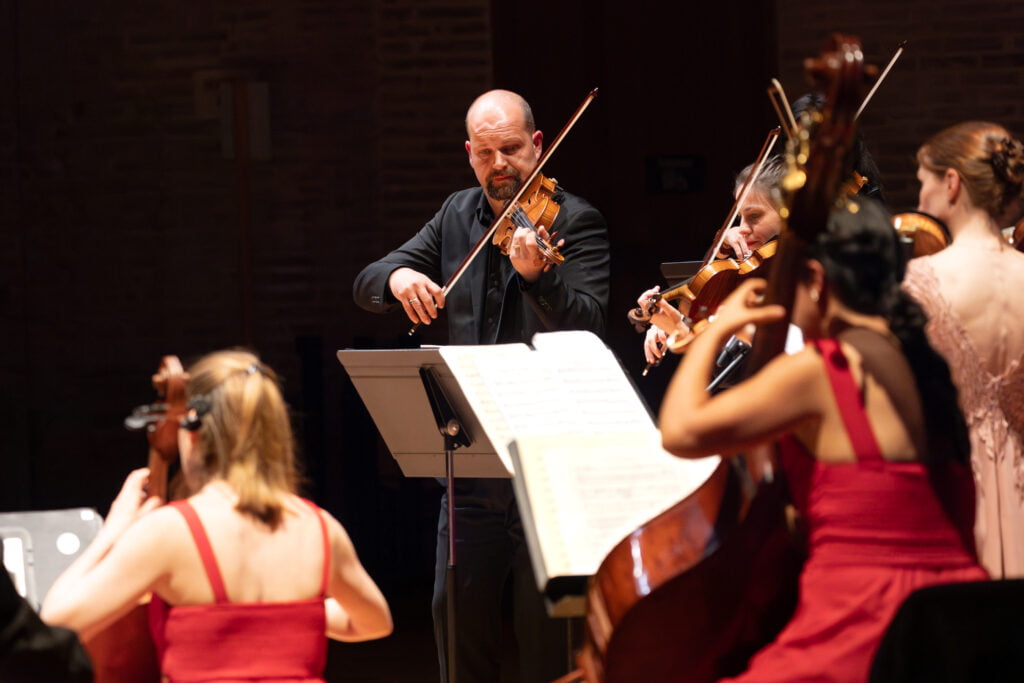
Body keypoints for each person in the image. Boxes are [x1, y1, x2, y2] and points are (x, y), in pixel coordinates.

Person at [654, 196, 988, 681]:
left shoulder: (825, 366)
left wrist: (716, 327)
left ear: (815, 280)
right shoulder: (919, 361)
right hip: (953, 623)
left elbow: (680, 431)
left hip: (866, 622)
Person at [353, 89, 609, 682]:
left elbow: (591, 326)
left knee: (545, 635)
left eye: (512, 150)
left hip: (547, 465)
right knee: (454, 618)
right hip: (470, 464)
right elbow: (370, 278)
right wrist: (400, 279)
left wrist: (540, 280)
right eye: (486, 152)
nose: (500, 166)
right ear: (470, 153)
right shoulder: (456, 215)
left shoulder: (575, 220)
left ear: (538, 145)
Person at [40, 350, 392, 681]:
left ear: (193, 436)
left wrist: (114, 528)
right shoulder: (319, 527)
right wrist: (285, 618)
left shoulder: (170, 532)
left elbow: (55, 624)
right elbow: (374, 622)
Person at [902, 121, 1024, 578]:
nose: (918, 201)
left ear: (951, 183)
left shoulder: (917, 283)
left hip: (953, 490)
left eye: (923, 182)